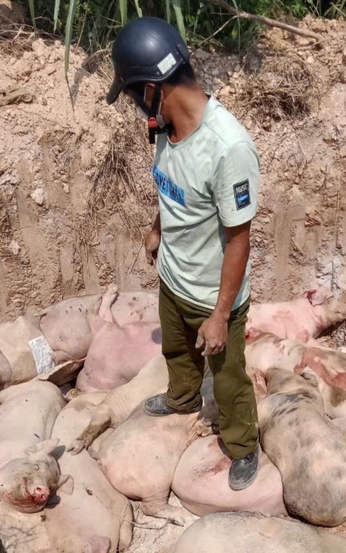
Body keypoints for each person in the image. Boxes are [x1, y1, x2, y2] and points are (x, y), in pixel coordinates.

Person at [105, 16, 261, 491]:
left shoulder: (228, 148)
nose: (134, 107)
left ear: (154, 88)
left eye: (133, 95)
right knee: (176, 350)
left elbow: (239, 239)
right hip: (175, 276)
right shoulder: (164, 126)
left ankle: (242, 444)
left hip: (214, 292)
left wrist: (218, 315)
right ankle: (182, 398)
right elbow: (171, 188)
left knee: (230, 379)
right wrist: (157, 229)